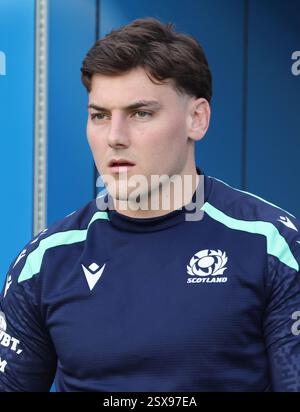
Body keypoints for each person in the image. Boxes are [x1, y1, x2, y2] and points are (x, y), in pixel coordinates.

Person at [1, 17, 300, 393]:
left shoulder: (272, 246)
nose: (115, 137)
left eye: (141, 113)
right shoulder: (44, 263)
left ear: (197, 118)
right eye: (99, 116)